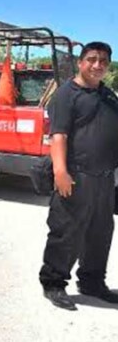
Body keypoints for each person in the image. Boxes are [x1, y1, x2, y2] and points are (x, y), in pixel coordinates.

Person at [39, 41, 118, 311]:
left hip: (105, 179)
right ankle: (53, 283)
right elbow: (58, 135)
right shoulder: (66, 95)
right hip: (75, 177)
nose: (98, 65)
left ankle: (92, 282)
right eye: (92, 59)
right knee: (66, 231)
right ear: (81, 62)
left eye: (104, 61)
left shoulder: (109, 97)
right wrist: (60, 171)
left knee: (101, 232)